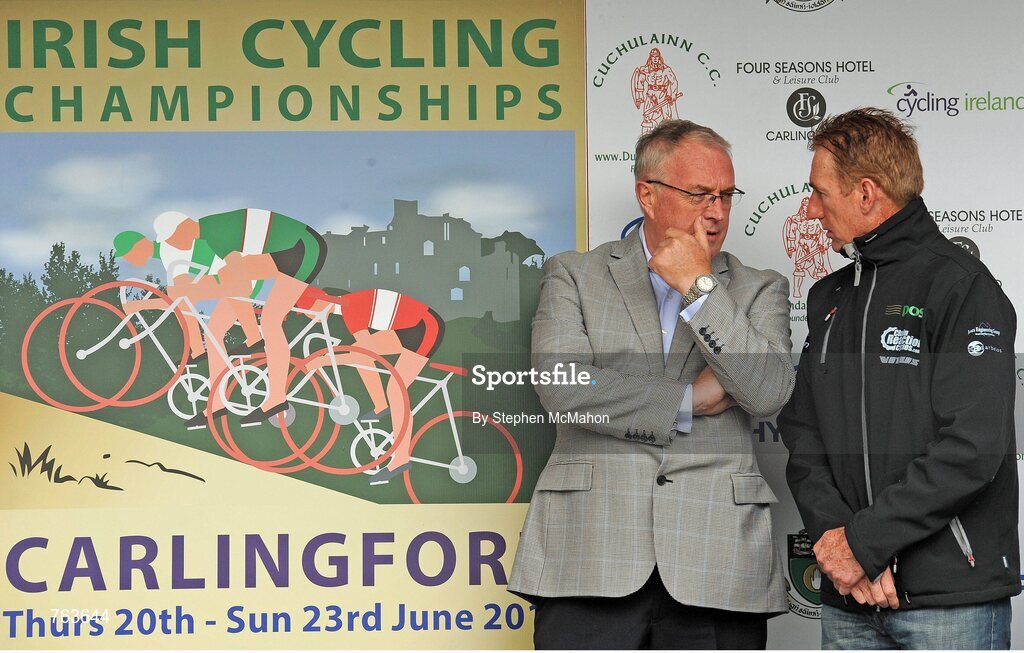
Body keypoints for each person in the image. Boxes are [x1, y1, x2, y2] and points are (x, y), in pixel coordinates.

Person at [508, 119, 796, 649]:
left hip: (715, 559)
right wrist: (687, 401)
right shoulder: (573, 274)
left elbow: (767, 391)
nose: (716, 212)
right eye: (699, 194)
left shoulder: (759, 289)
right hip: (591, 554)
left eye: (726, 196)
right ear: (647, 194)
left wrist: (698, 286)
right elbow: (563, 387)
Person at [778, 107, 1019, 649]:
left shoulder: (961, 286)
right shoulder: (828, 297)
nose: (809, 209)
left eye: (818, 192)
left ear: (866, 193)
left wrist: (863, 545)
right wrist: (840, 546)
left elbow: (972, 446)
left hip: (948, 605)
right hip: (849, 598)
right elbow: (803, 433)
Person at [115, 208, 326, 429]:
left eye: (172, 238)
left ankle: (276, 399)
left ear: (184, 226)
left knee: (270, 321)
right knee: (214, 333)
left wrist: (192, 291)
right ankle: (216, 404)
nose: (173, 244)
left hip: (305, 248)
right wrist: (192, 291)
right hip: (281, 252)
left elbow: (241, 286)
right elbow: (227, 282)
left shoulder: (216, 235)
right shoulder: (207, 234)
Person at [295, 286, 445, 481]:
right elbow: (363, 352)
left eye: (307, 311)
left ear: (319, 302)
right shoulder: (347, 306)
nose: (309, 316)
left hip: (425, 327)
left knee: (395, 389)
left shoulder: (350, 309)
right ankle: (381, 406)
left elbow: (366, 353)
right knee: (357, 351)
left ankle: (401, 458)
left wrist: (324, 361)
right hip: (407, 327)